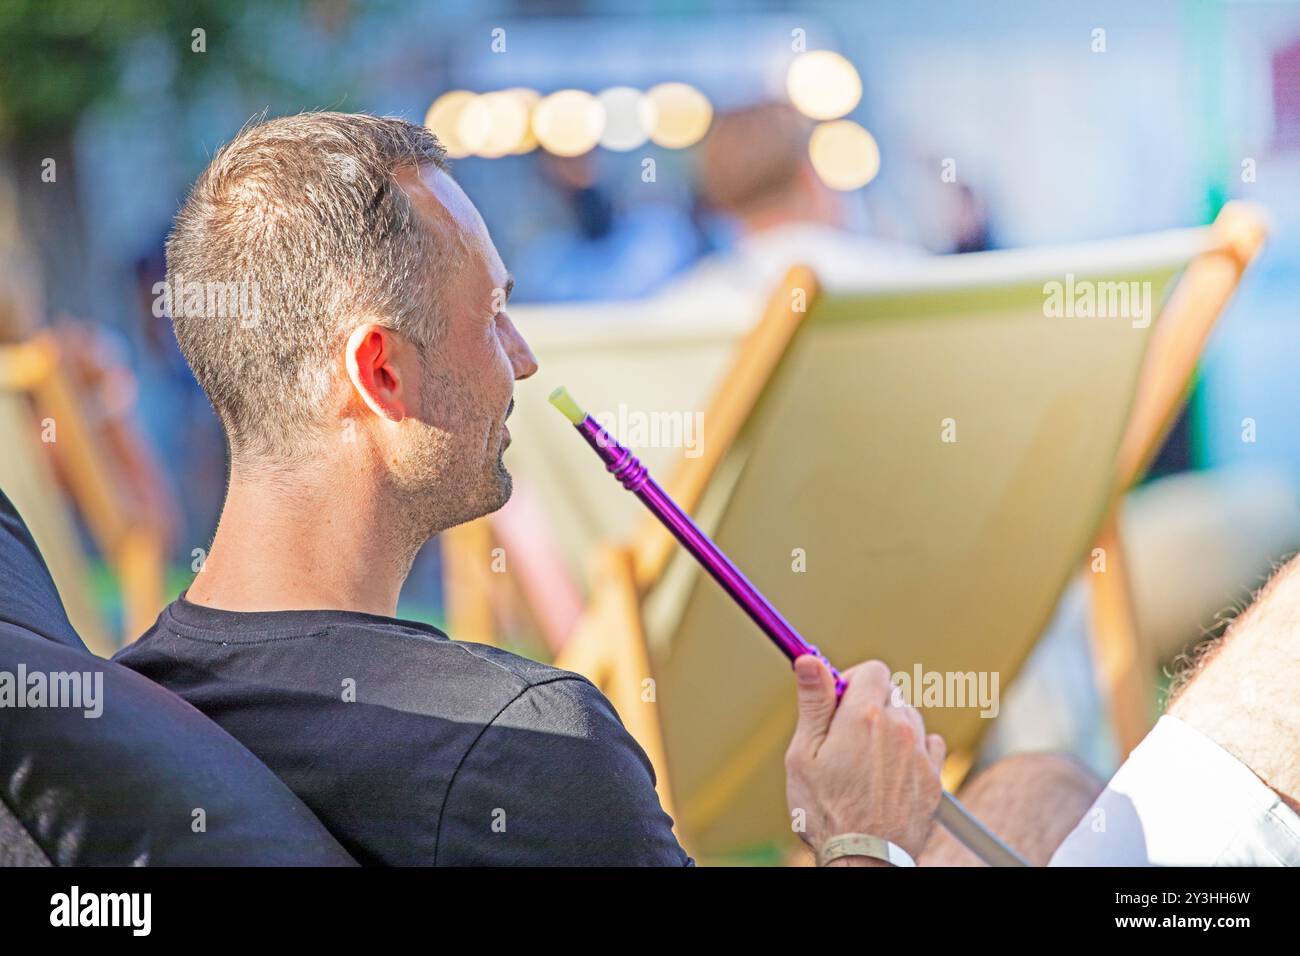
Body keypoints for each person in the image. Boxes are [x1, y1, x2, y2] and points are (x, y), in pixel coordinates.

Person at [111, 112, 948, 867]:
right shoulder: (524, 744)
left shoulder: (117, 727)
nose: (524, 357)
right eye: (494, 313)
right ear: (381, 373)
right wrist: (861, 839)